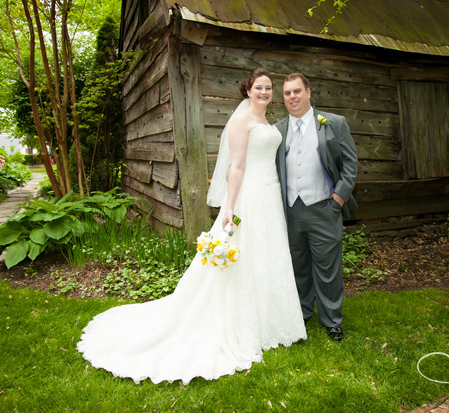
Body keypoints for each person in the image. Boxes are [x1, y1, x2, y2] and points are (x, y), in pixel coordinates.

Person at [77, 67, 306, 384]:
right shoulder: (242, 121)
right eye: (259, 87)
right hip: (249, 196)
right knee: (244, 259)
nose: (265, 92)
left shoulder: (266, 120)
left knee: (266, 256)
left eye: (269, 88)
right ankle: (240, 325)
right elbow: (236, 167)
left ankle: (270, 322)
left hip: (269, 194)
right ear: (248, 90)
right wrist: (229, 207)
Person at [275, 73, 358, 343]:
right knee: (297, 267)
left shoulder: (333, 123)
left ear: (308, 92)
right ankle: (300, 315)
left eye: (297, 91)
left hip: (324, 207)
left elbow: (350, 165)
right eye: (287, 93)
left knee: (327, 268)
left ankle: (332, 321)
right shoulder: (278, 130)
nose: (292, 97)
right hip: (290, 211)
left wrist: (338, 198)